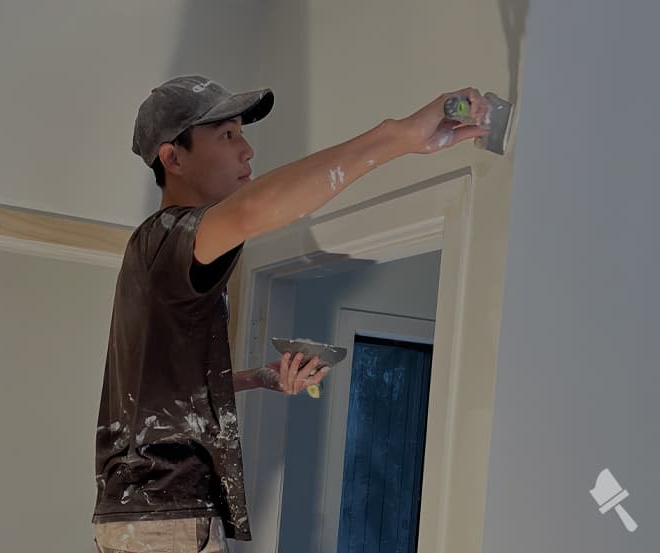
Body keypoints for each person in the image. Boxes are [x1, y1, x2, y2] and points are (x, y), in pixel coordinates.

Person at [91, 75, 490, 552]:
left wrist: (259, 378)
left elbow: (163, 387)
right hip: (162, 517)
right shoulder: (169, 236)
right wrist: (397, 136)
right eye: (227, 135)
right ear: (173, 158)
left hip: (151, 514)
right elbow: (251, 212)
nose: (247, 151)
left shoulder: (159, 255)